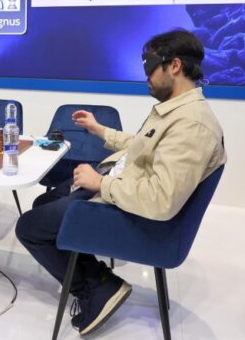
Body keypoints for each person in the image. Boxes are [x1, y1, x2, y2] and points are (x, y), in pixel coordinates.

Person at [16, 29, 226, 336]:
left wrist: (100, 184)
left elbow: (161, 200)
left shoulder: (191, 125)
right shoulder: (176, 112)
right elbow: (144, 144)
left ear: (175, 66)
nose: (146, 77)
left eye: (150, 66)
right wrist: (100, 130)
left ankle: (98, 286)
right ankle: (89, 272)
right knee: (43, 203)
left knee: (29, 227)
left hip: (133, 214)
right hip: (121, 187)